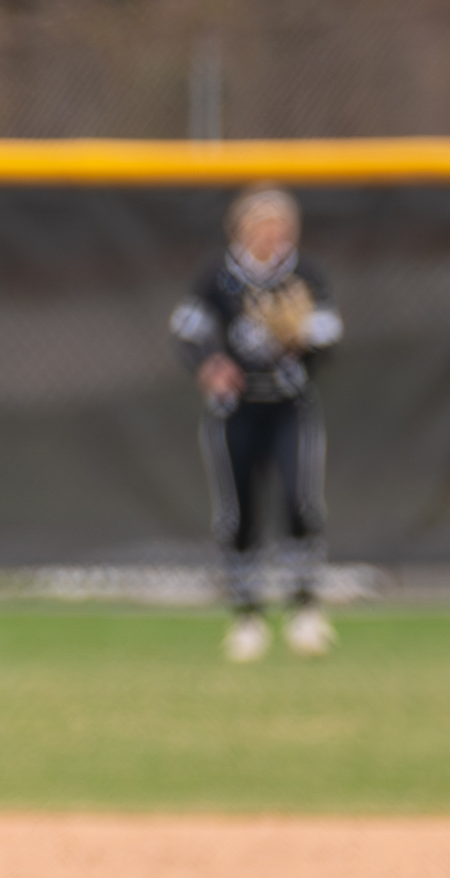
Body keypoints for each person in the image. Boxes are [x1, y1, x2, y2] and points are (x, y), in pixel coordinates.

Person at [170, 184, 340, 662]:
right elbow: (186, 330)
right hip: (236, 410)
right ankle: (246, 616)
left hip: (289, 406)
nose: (275, 236)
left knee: (298, 499)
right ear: (242, 230)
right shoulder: (218, 276)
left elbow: (329, 336)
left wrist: (302, 339)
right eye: (264, 227)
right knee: (239, 511)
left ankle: (305, 609)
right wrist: (210, 364)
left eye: (283, 228)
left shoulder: (304, 274)